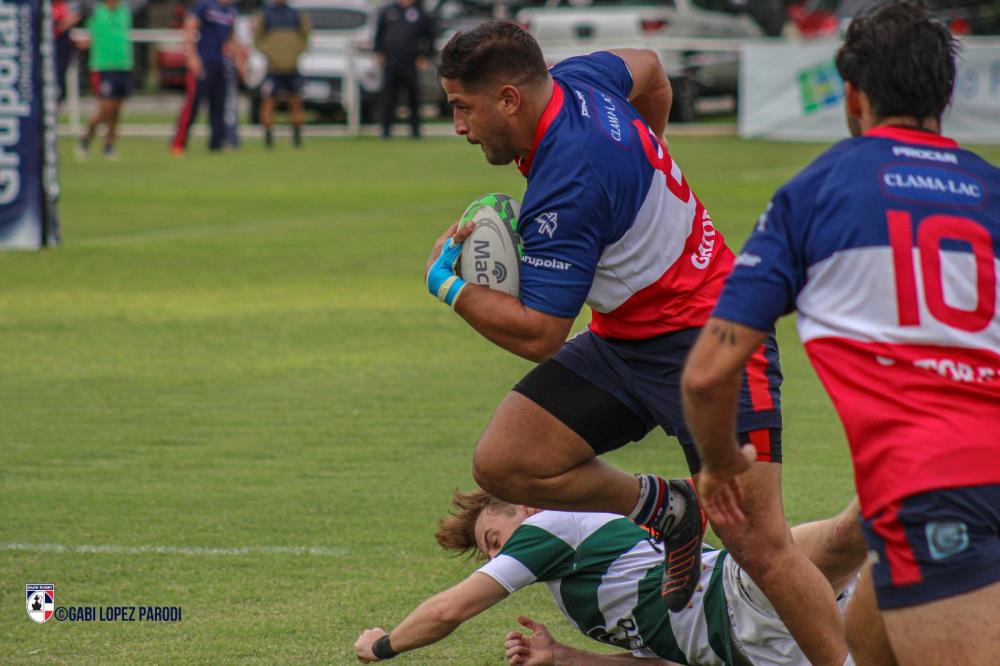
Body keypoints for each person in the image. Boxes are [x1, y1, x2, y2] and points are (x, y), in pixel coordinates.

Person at [424, 21, 856, 664]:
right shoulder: (579, 79)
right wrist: (650, 155)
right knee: (506, 461)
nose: (459, 126)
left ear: (509, 99)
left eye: (463, 107)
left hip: (713, 338)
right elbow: (651, 68)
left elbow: (540, 334)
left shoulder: (570, 182)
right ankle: (667, 506)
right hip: (627, 336)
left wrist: (447, 284)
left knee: (758, 545)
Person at [679, 3, 1000, 664]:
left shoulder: (815, 194)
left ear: (852, 96)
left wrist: (719, 464)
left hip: (937, 486)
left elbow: (707, 376)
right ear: (946, 95)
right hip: (944, 486)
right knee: (866, 639)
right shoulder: (990, 188)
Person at [354, 489, 866, 664]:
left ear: (526, 507)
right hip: (766, 652)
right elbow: (665, 662)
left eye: (494, 538)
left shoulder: (550, 526)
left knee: (847, 537)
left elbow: (450, 609)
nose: (498, 555)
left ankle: (912, 465)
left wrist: (382, 645)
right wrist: (565, 657)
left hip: (737, 591)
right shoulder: (580, 595)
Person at [170, 0, 245, 154]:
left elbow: (230, 37)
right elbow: (190, 26)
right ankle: (178, 144)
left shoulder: (231, 10)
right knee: (193, 104)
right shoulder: (205, 5)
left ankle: (216, 145)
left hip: (220, 63)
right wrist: (191, 56)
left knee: (219, 105)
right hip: (202, 63)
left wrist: (239, 60)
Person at [76, 0, 132, 160]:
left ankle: (109, 145)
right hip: (103, 66)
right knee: (105, 108)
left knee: (116, 110)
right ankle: (85, 139)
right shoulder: (96, 10)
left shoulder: (125, 10)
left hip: (123, 65)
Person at [253, 0, 311, 148]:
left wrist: (295, 52)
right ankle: (268, 137)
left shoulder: (296, 14)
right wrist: (270, 52)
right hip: (273, 68)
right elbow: (257, 38)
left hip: (292, 68)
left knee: (295, 101)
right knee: (269, 101)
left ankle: (297, 137)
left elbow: (306, 36)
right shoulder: (266, 14)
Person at [373, 0, 433, 139]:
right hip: (391, 62)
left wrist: (425, 56)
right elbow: (379, 34)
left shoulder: (420, 13)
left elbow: (430, 37)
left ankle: (415, 130)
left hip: (411, 63)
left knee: (413, 97)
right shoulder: (387, 11)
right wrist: (379, 52)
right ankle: (386, 131)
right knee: (389, 98)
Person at [53, 0, 81, 104]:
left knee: (61, 90)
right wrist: (64, 25)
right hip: (52, 58)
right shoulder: (48, 9)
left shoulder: (68, 7)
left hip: (64, 57)